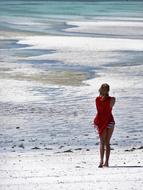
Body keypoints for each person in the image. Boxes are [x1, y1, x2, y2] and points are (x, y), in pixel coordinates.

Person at [93, 83, 116, 168]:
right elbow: (110, 107)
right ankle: (106, 162)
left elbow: (100, 112)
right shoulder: (112, 99)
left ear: (100, 89)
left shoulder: (97, 100)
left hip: (101, 121)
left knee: (102, 142)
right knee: (107, 143)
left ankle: (101, 161)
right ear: (108, 90)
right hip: (110, 121)